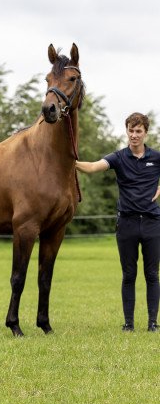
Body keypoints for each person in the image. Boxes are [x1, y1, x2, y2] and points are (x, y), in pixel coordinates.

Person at [76, 112, 160, 332]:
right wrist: (71, 162)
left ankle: (153, 323)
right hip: (127, 224)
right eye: (130, 130)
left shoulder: (156, 158)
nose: (134, 135)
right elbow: (94, 167)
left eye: (138, 131)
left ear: (145, 133)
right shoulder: (118, 157)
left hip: (152, 224)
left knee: (152, 275)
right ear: (127, 131)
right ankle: (129, 324)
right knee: (129, 275)